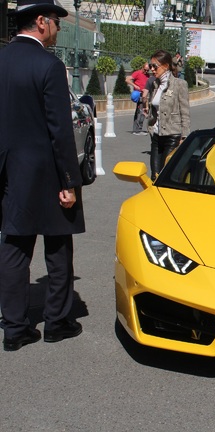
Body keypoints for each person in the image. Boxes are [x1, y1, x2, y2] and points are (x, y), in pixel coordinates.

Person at [0, 0, 85, 351]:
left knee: (14, 247)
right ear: (40, 22)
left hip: (9, 171)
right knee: (58, 247)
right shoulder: (48, 65)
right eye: (56, 22)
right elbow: (60, 131)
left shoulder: (2, 59)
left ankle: (15, 327)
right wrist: (70, 181)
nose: (58, 29)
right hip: (46, 173)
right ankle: (56, 321)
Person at [146, 50, 191, 180]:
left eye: (155, 66)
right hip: (156, 135)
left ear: (165, 66)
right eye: (150, 66)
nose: (152, 69)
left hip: (172, 136)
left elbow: (185, 112)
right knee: (154, 175)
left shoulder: (179, 84)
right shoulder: (155, 84)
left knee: (166, 175)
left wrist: (184, 135)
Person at [126, 62, 150, 136]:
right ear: (142, 67)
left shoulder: (147, 75)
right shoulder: (137, 73)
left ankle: (138, 129)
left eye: (147, 70)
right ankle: (137, 130)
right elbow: (127, 79)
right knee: (140, 111)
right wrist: (135, 85)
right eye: (145, 70)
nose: (146, 71)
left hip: (144, 95)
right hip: (139, 94)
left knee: (142, 111)